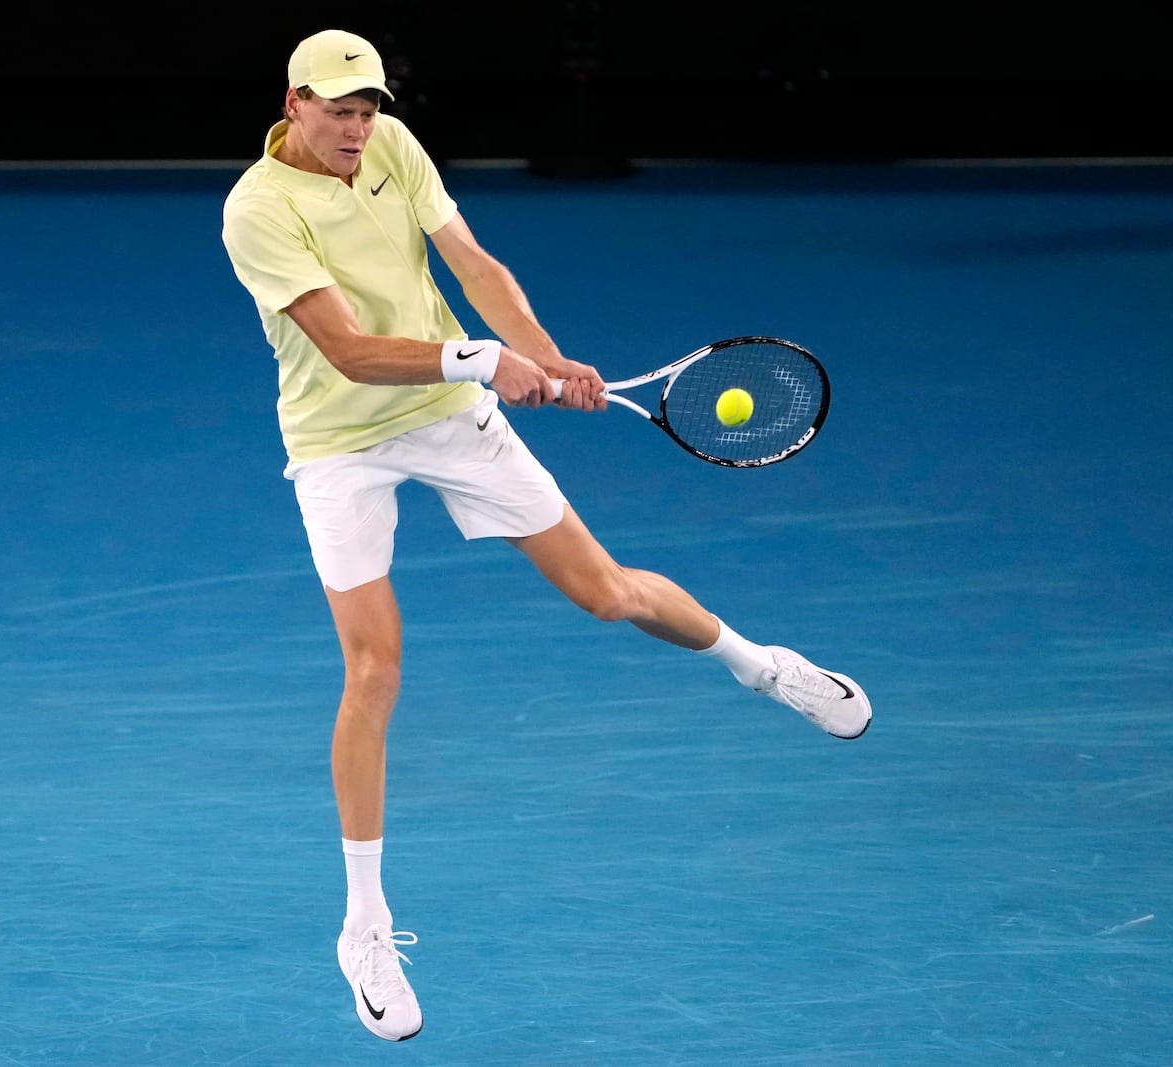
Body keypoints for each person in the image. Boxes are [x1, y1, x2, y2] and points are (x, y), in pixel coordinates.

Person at [221, 28, 872, 1043]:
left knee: (606, 590)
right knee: (374, 668)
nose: (357, 127)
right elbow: (347, 352)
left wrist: (544, 355)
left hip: (446, 415)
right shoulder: (256, 210)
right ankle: (364, 925)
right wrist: (479, 362)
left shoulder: (390, 149)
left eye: (368, 108)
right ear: (293, 103)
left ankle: (763, 666)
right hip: (339, 443)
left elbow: (472, 262)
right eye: (339, 110)